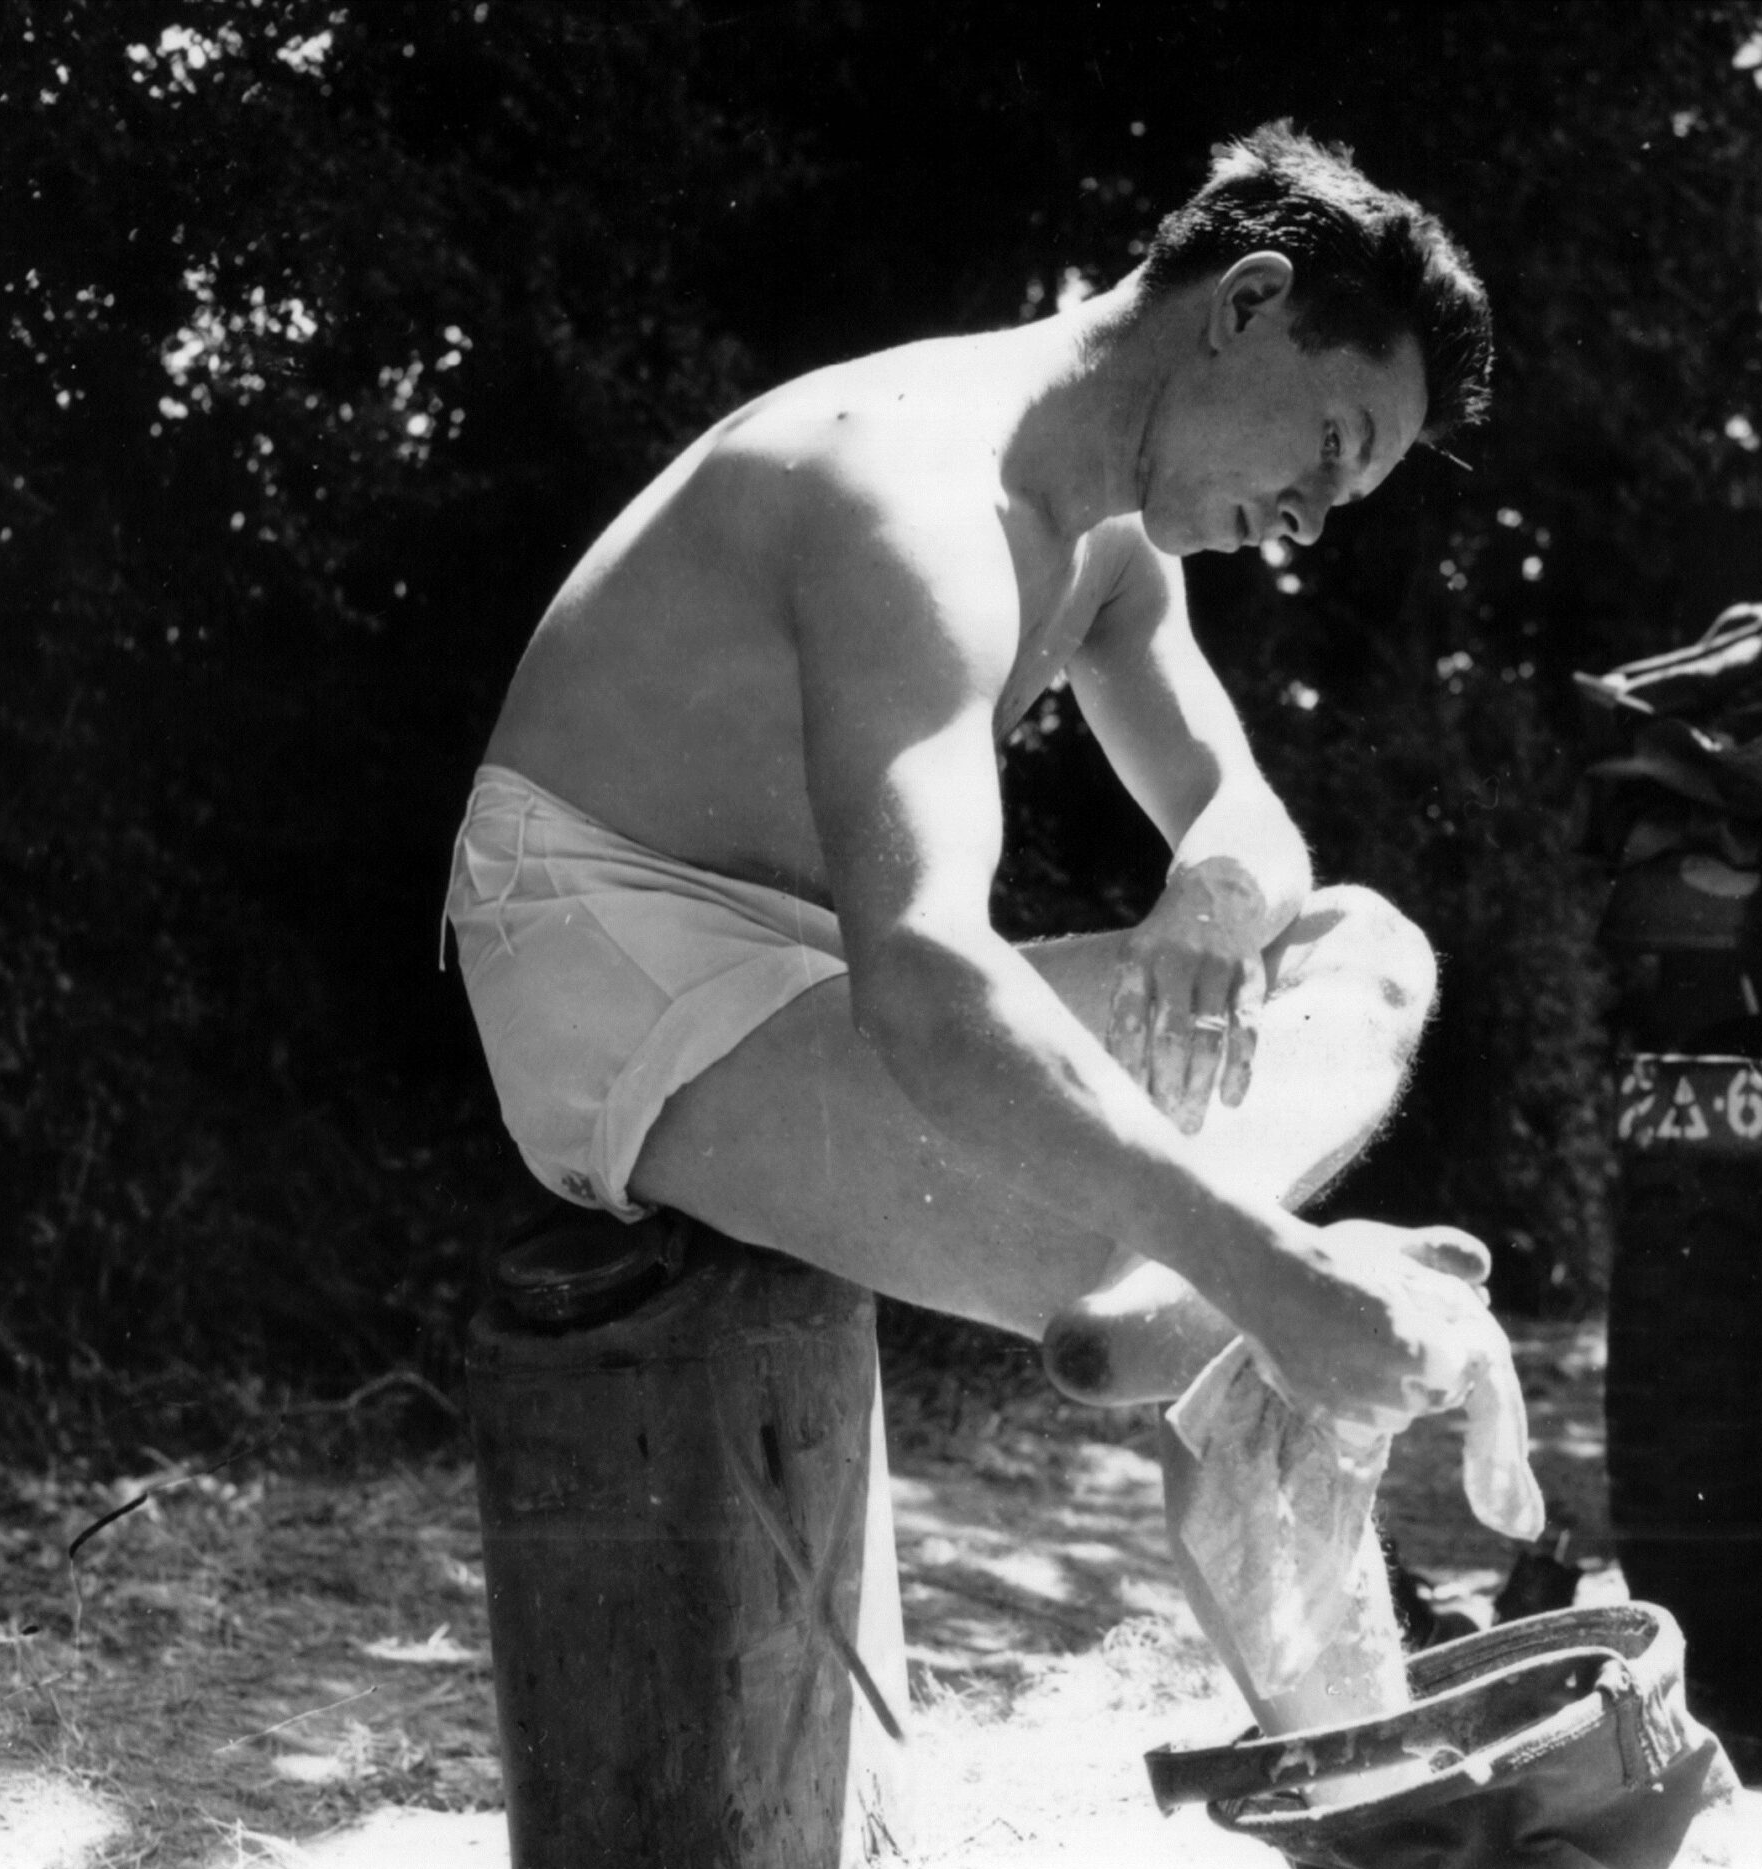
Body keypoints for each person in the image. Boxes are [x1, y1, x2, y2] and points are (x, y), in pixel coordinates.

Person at [444, 125, 1527, 1692]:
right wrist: (1266, 1267)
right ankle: (1227, 1332)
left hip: (812, 974)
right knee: (1242, 1292)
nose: (1309, 516)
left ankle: (1173, 1304)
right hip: (618, 963)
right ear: (1246, 302)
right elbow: (929, 985)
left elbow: (1244, 815)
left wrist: (1216, 893)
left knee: (1359, 947)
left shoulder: (1108, 538)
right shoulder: (912, 497)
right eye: (1331, 443)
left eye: (1345, 489)